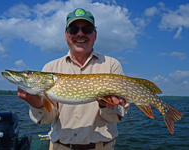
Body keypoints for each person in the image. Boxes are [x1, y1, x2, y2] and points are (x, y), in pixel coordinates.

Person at [18, 8, 130, 150]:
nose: (80, 33)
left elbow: (117, 116)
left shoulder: (111, 65)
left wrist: (105, 105)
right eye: (73, 29)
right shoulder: (50, 67)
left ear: (95, 34)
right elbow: (47, 119)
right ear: (66, 35)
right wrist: (36, 104)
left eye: (87, 29)